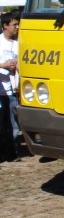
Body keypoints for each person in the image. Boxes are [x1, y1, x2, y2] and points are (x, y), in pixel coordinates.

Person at [0, 10, 21, 161]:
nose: (17, 27)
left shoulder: (18, 43)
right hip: (1, 90)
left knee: (14, 123)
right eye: (14, 24)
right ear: (5, 26)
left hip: (14, 88)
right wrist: (4, 65)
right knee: (3, 124)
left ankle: (13, 151)